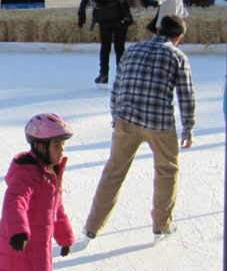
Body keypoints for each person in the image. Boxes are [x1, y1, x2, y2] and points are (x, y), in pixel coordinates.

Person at [80, 14, 196, 245]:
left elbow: (117, 86)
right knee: (166, 171)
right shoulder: (177, 56)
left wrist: (116, 116)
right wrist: (188, 128)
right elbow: (186, 96)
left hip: (127, 120)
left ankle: (92, 227)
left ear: (158, 29)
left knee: (113, 172)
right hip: (159, 123)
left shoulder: (133, 50)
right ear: (178, 37)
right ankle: (162, 226)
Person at [0, 114, 76, 271]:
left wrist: (65, 237)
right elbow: (15, 201)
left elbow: (56, 209)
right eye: (56, 145)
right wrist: (19, 231)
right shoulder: (26, 173)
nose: (61, 150)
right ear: (40, 146)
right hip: (19, 250)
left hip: (39, 250)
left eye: (63, 145)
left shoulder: (49, 174)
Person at [77, 0, 155, 84]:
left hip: (103, 16)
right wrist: (145, 1)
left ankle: (103, 74)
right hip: (119, 14)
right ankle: (121, 74)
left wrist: (81, 14)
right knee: (120, 47)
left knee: (105, 46)